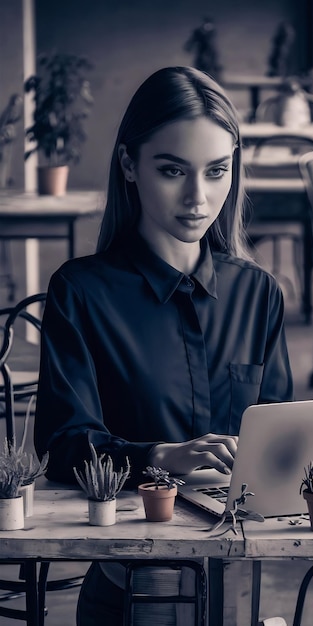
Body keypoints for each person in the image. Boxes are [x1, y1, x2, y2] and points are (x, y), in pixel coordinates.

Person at [34, 65, 294, 625]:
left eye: (217, 171)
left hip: (241, 584)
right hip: (131, 589)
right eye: (173, 170)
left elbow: (283, 437)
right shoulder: (80, 291)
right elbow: (62, 444)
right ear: (129, 164)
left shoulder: (258, 292)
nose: (198, 198)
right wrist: (157, 458)